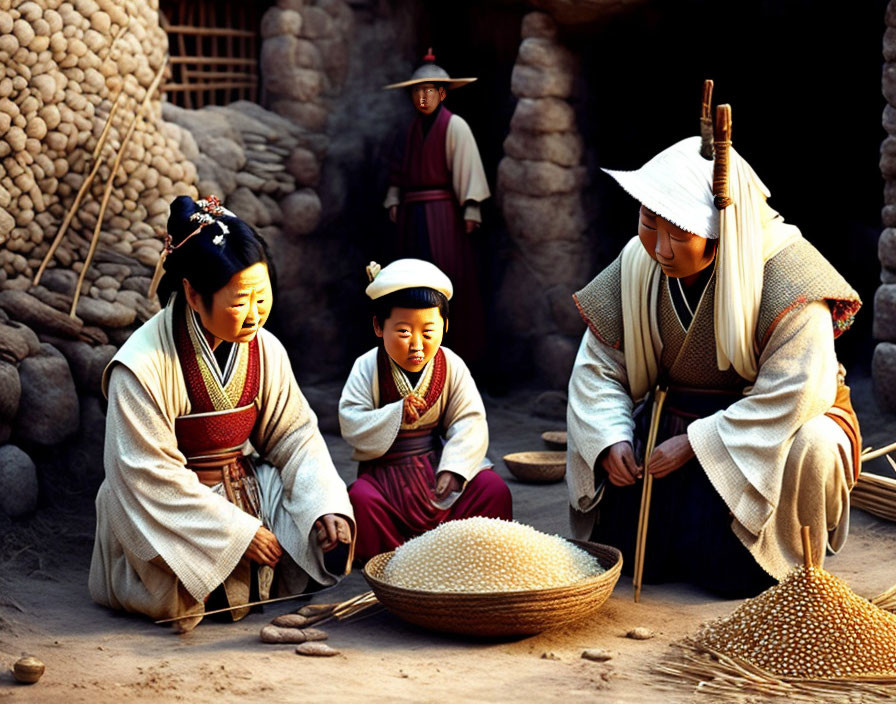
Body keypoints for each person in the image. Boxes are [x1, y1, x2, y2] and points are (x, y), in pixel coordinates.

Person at [566, 112, 862, 598]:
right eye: (647, 224)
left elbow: (798, 391)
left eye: (679, 235)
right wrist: (611, 437)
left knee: (733, 568)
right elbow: (598, 367)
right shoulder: (637, 263)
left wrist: (698, 443)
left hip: (769, 429)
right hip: (676, 418)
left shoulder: (789, 274)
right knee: (634, 556)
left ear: (721, 229)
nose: (660, 249)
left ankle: (796, 561)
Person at [89, 195, 354, 631]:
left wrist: (325, 504)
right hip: (170, 505)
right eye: (239, 303)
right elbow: (144, 473)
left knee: (312, 532)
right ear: (193, 293)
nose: (255, 316)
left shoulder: (264, 348)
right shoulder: (141, 365)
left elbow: (294, 434)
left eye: (262, 298)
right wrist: (237, 533)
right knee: (176, 580)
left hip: (243, 483)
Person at [338, 258, 512, 563]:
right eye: (404, 332)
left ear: (445, 326)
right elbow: (351, 420)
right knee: (361, 500)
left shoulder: (452, 364)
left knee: (493, 490)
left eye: (428, 332)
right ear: (379, 326)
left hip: (436, 468)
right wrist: (394, 415)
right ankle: (397, 565)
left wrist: (454, 469)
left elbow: (469, 420)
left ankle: (463, 555)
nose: (417, 345)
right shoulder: (367, 366)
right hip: (385, 474)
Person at [382, 49, 490, 366]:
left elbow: (467, 169)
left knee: (447, 277)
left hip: (443, 214)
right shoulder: (408, 131)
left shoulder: (455, 127)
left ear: (442, 93)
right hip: (412, 214)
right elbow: (398, 171)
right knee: (410, 280)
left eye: (429, 91)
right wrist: (393, 198)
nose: (423, 97)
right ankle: (411, 352)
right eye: (417, 91)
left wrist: (471, 208)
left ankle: (455, 352)